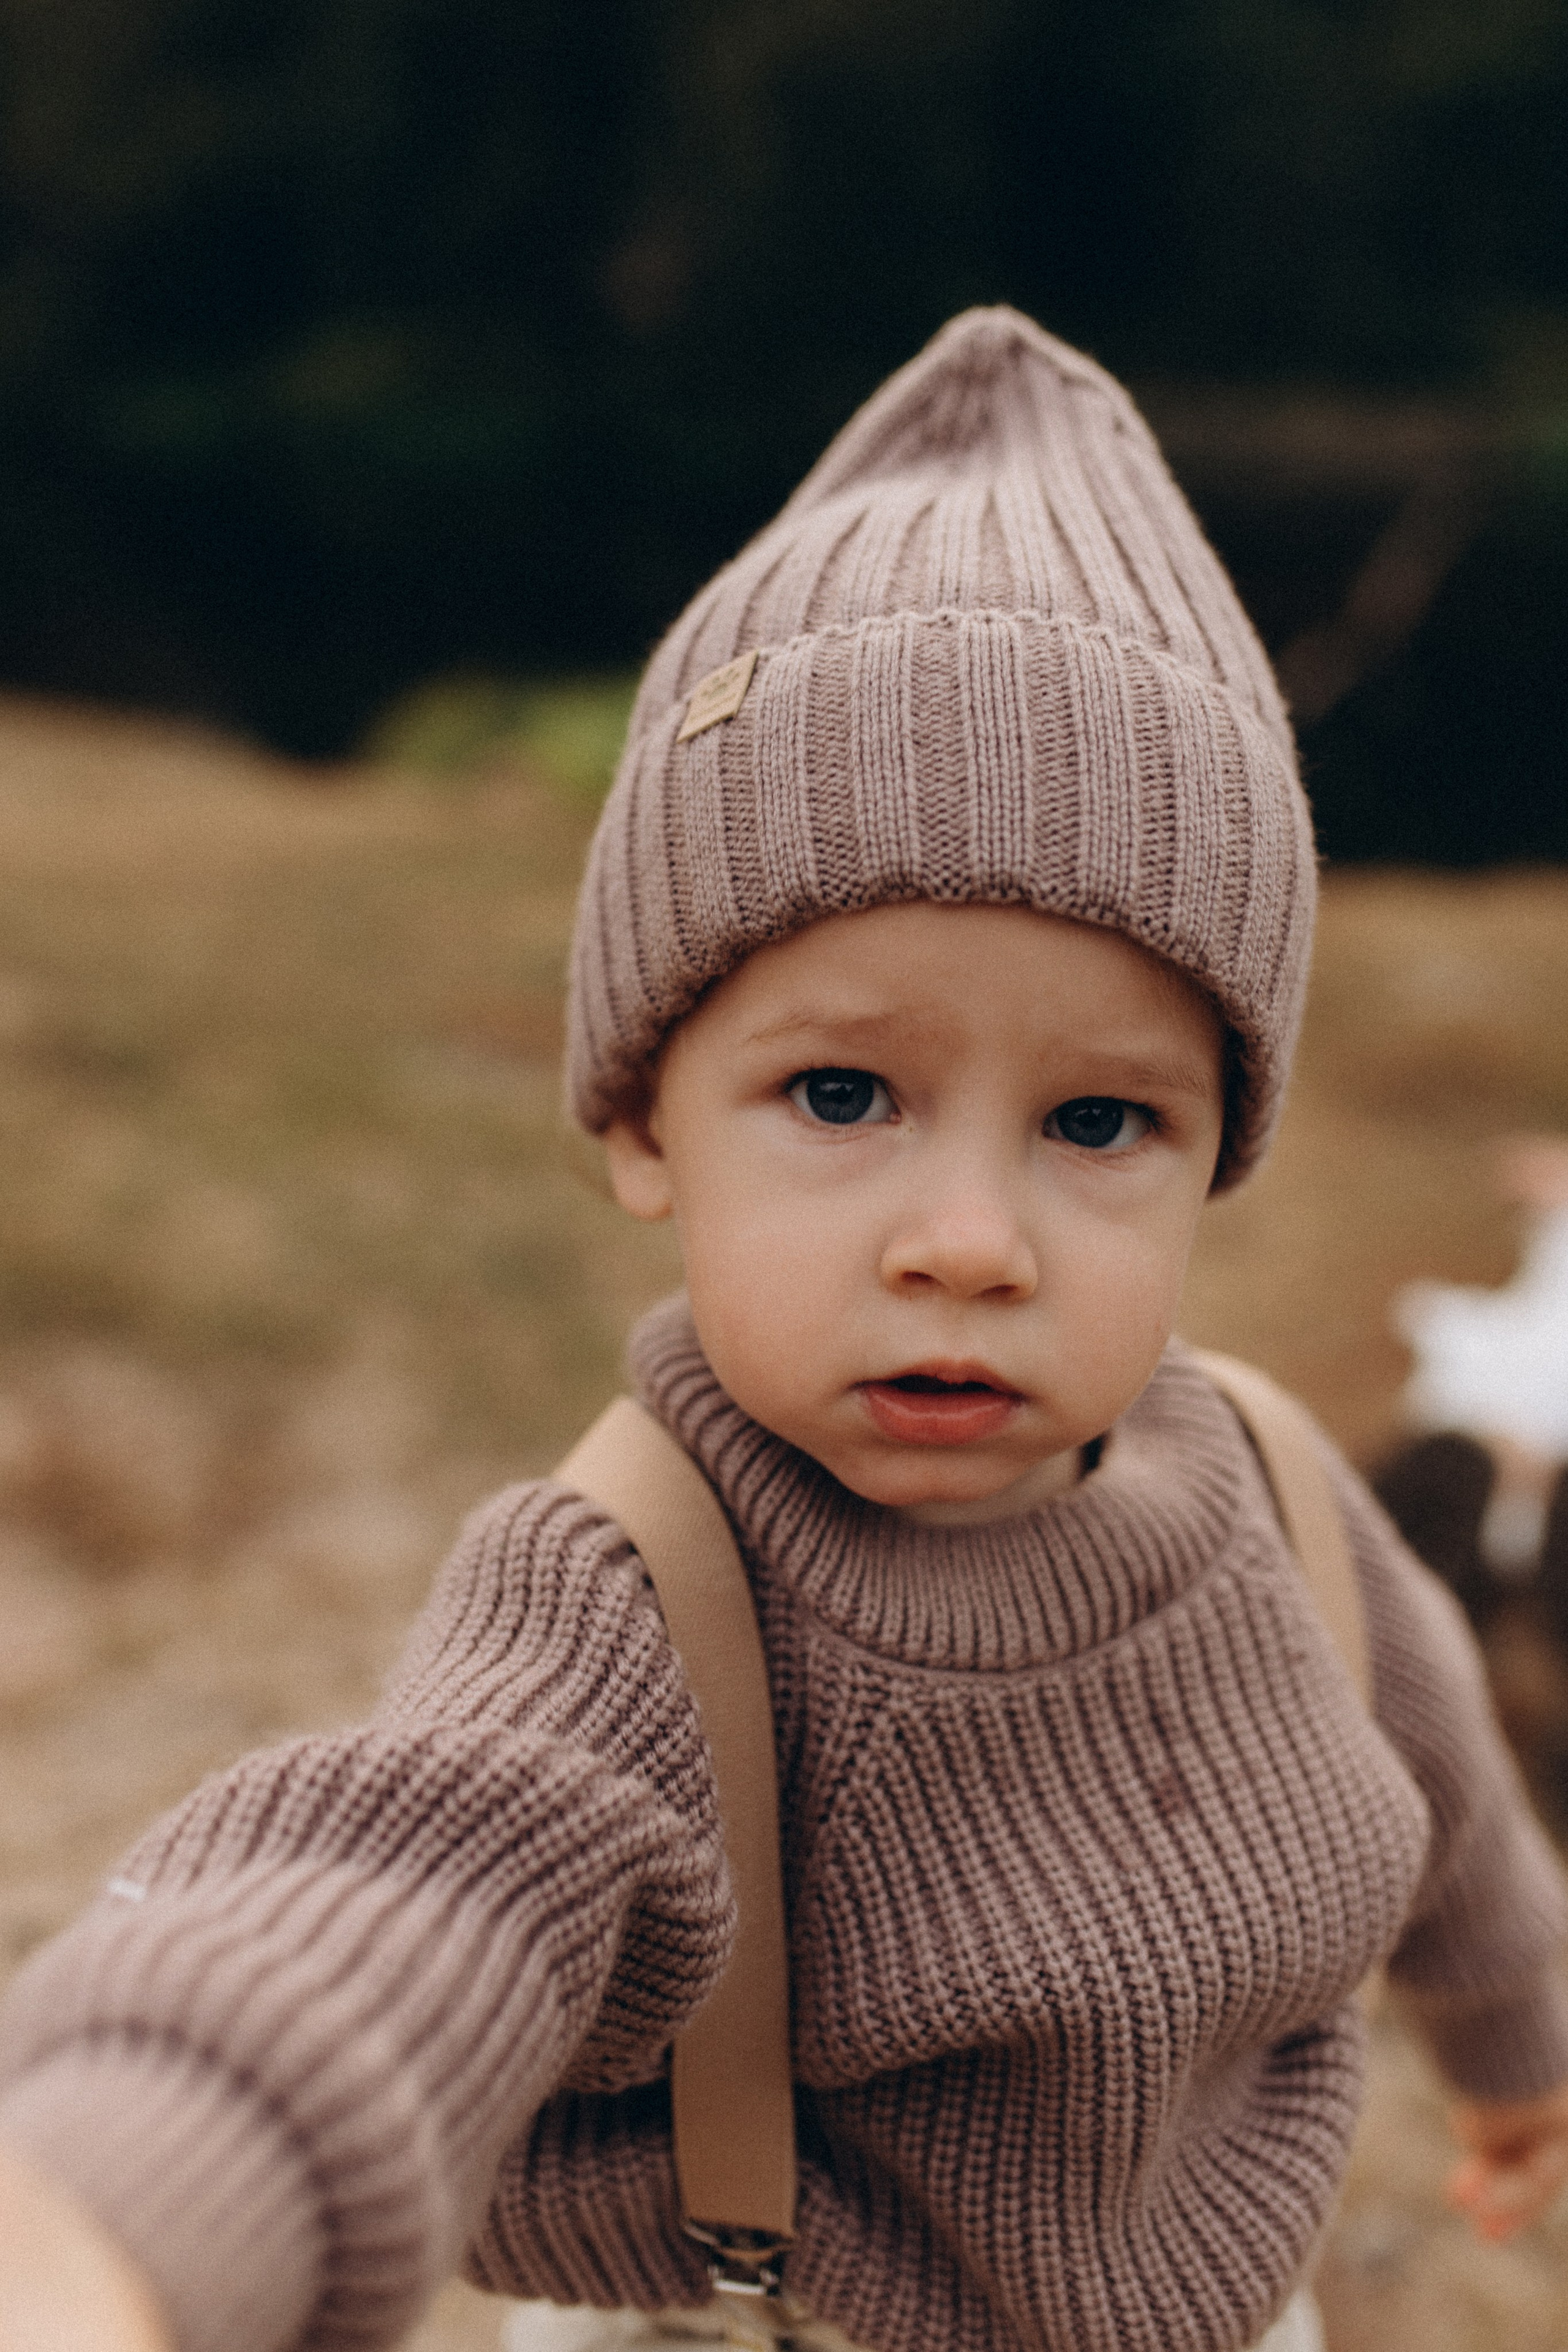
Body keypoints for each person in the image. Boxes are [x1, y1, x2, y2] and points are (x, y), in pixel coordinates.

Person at [3, 307, 1568, 2352]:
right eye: (842, 1097)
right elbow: (401, 1897)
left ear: (1220, 1154)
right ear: (647, 1119)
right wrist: (114, 2215)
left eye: (1102, 1121)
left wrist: (1519, 2042)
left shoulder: (1271, 1489)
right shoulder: (635, 1597)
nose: (969, 1240)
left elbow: (1440, 1777)